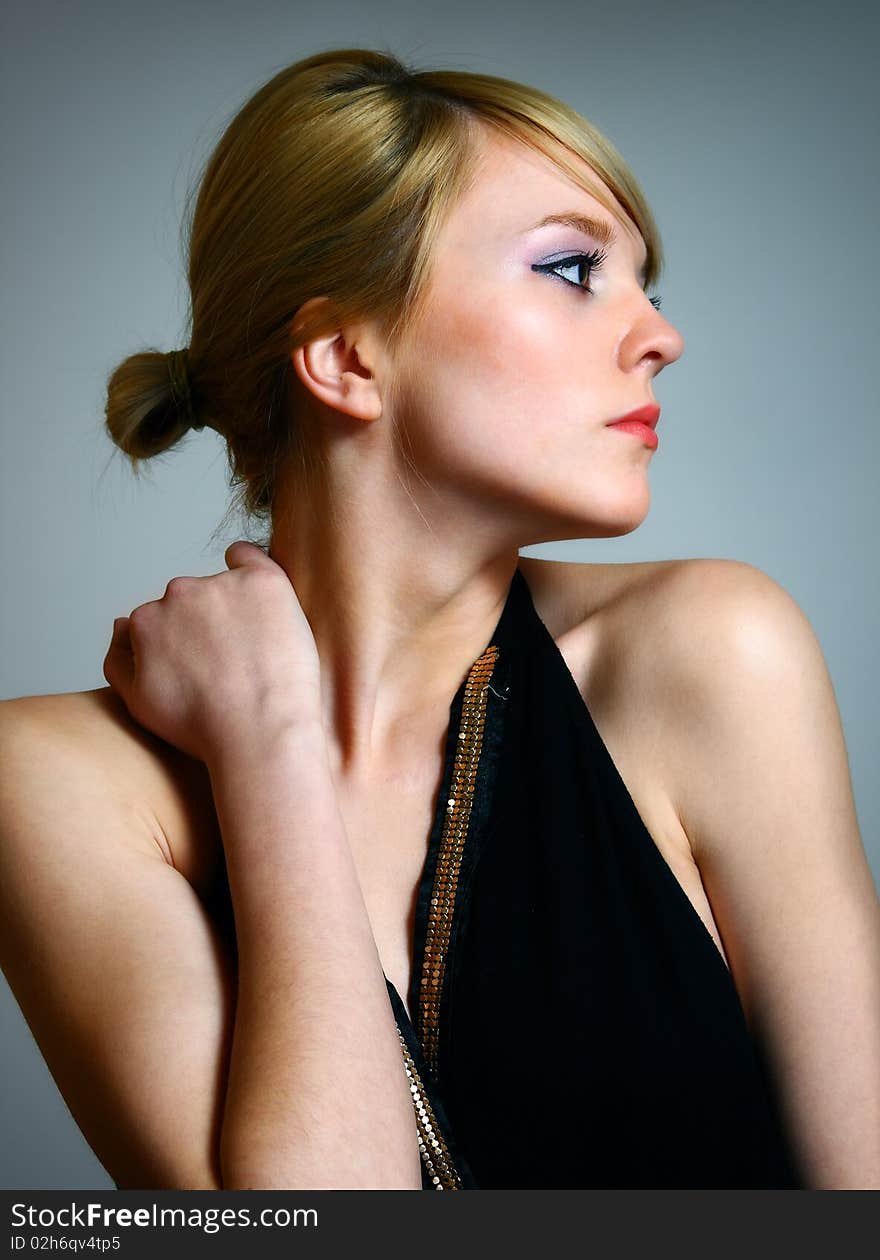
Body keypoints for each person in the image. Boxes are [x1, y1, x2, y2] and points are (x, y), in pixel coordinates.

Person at [1, 46, 878, 1191]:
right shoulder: (52, 783)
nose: (659, 337)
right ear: (344, 354)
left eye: (645, 286)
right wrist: (270, 751)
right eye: (571, 269)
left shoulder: (710, 656)